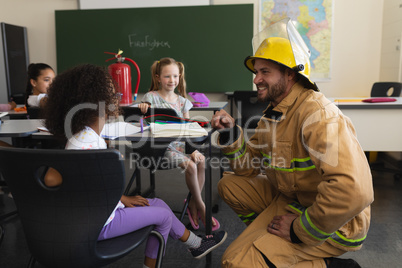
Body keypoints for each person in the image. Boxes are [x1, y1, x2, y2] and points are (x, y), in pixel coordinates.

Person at [211, 18, 373, 268]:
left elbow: (354, 191)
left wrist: (299, 230)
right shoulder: (274, 114)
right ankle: (272, 243)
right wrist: (232, 134)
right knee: (230, 185)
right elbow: (248, 167)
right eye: (256, 72)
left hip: (337, 224)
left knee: (235, 262)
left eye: (265, 72)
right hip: (295, 201)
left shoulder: (318, 114)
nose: (256, 80)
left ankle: (321, 261)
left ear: (289, 74)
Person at [43, 63, 227, 268]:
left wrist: (121, 198)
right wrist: (119, 200)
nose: (118, 99)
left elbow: (56, 179)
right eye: (114, 95)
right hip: (99, 223)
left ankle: (196, 244)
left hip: (96, 214)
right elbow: (80, 183)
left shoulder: (83, 136)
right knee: (164, 216)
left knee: (157, 203)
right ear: (100, 103)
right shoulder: (88, 144)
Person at [138, 57, 220, 231]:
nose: (172, 80)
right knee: (190, 166)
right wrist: (143, 107)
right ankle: (201, 206)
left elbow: (189, 130)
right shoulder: (150, 98)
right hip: (161, 149)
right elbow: (143, 123)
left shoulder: (183, 102)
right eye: (167, 76)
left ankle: (191, 203)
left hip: (180, 146)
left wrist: (194, 150)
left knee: (201, 160)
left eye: (175, 76)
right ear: (158, 77)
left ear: (179, 77)